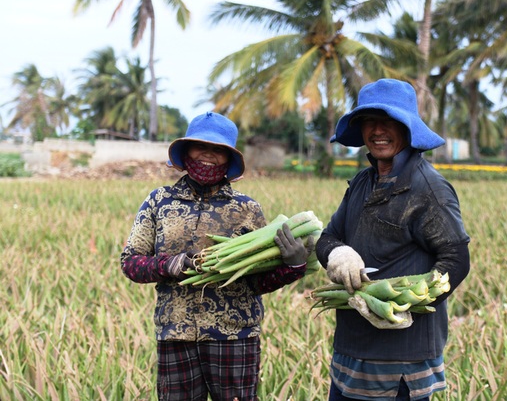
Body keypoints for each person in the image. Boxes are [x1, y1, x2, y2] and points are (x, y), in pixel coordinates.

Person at [120, 111, 313, 401]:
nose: (208, 155)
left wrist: (293, 265)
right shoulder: (159, 201)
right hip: (176, 334)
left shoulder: (247, 209)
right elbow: (131, 263)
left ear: (229, 158)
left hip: (235, 337)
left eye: (218, 150)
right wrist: (172, 264)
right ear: (186, 151)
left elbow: (258, 281)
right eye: (201, 146)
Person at [315, 79, 471, 400]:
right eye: (370, 121)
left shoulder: (428, 189)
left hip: (401, 359)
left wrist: (404, 306)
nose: (378, 130)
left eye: (389, 121)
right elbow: (328, 237)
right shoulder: (362, 183)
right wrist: (338, 254)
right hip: (351, 349)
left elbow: (456, 260)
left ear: (408, 127)